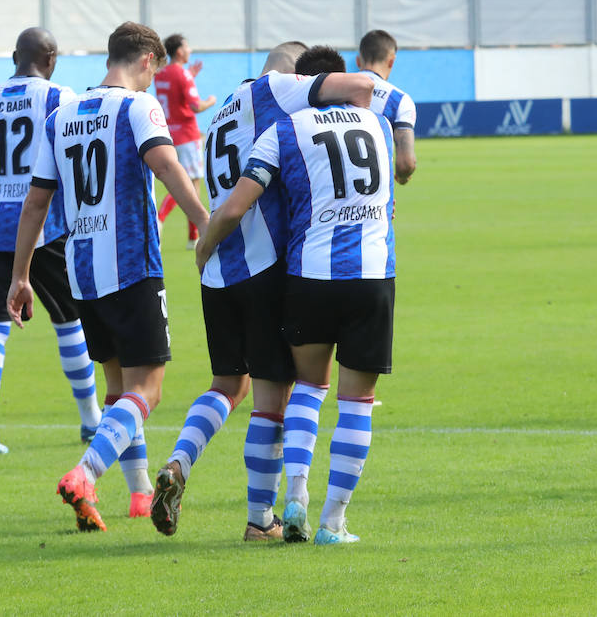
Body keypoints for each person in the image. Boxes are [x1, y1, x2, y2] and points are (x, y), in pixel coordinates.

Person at [149, 42, 375, 541]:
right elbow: (359, 87)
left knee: (228, 385)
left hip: (218, 271)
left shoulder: (225, 111)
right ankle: (260, 520)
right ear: (293, 75)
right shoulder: (281, 89)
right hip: (264, 266)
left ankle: (179, 462)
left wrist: (204, 244)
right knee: (273, 400)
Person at [6, 22, 209, 533]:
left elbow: (36, 201)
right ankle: (86, 473)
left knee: (119, 391)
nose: (154, 81)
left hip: (83, 270)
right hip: (133, 265)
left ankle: (140, 494)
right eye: (154, 71)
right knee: (150, 389)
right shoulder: (138, 108)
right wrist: (206, 224)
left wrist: (20, 276)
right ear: (146, 61)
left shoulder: (62, 113)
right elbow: (164, 163)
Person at [0, 28, 105, 459]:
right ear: (51, 57)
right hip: (48, 226)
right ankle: (91, 419)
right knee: (68, 322)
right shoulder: (60, 97)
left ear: (14, 56)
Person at [154, 34, 217, 248]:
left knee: (188, 183)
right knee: (190, 185)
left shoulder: (161, 73)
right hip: (188, 136)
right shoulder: (182, 75)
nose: (190, 50)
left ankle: (193, 238)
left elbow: (173, 90)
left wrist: (189, 75)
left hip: (170, 135)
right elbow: (195, 107)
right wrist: (211, 101)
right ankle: (160, 218)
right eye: (187, 46)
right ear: (179, 51)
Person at [356, 29, 418, 184]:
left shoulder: (334, 89)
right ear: (391, 61)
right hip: (375, 193)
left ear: (358, 61)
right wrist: (402, 176)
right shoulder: (398, 100)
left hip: (332, 193)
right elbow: (406, 164)